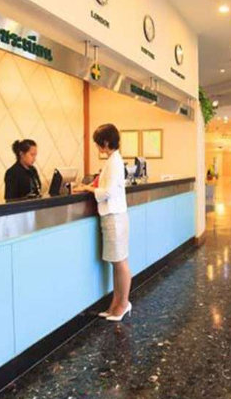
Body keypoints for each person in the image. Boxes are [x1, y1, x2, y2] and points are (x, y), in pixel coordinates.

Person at [74, 124, 131, 322]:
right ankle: (115, 304)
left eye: (98, 143)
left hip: (114, 217)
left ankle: (123, 304)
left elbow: (107, 192)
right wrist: (89, 185)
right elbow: (102, 182)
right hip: (112, 216)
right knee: (116, 263)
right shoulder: (112, 160)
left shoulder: (114, 162)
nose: (97, 147)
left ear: (106, 142)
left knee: (120, 263)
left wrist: (88, 189)